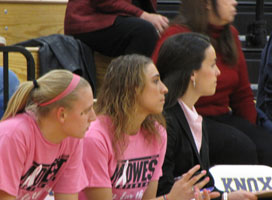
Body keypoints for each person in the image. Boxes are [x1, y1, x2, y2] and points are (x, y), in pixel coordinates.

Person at [79, 54, 220, 200]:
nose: (164, 89)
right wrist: (169, 199)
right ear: (133, 89)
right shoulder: (95, 138)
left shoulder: (156, 133)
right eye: (155, 81)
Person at [152, 0, 272, 166]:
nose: (234, 2)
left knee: (266, 144)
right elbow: (156, 82)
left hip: (223, 115)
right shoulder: (176, 35)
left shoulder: (231, 35)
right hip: (187, 117)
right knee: (240, 146)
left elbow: (243, 94)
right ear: (208, 3)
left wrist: (251, 129)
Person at [156, 32, 257, 200]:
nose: (218, 72)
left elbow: (203, 184)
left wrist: (226, 197)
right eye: (212, 65)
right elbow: (163, 190)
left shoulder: (193, 117)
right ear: (192, 73)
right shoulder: (166, 121)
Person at [0, 69, 96, 199]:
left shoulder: (71, 138)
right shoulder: (13, 136)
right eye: (87, 110)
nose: (93, 117)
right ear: (62, 114)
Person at [64, 0, 169, 57]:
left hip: (115, 18)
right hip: (87, 20)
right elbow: (103, 2)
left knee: (171, 38)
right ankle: (128, 92)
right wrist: (143, 15)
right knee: (144, 32)